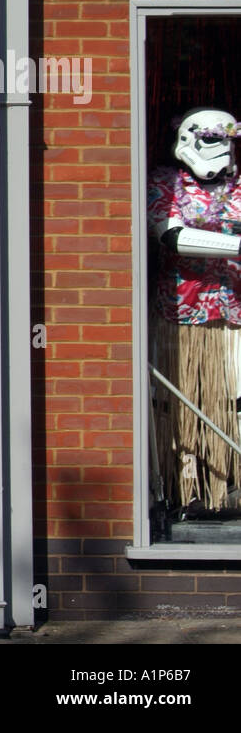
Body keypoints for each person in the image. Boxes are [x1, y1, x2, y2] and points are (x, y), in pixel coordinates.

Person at [148, 107, 241, 512]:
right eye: (212, 139)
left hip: (233, 314)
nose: (223, 149)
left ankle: (230, 486)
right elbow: (171, 234)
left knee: (234, 401)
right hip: (181, 316)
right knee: (179, 402)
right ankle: (184, 485)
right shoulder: (165, 183)